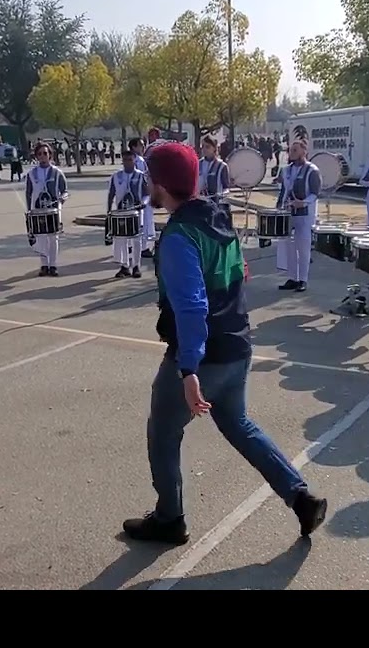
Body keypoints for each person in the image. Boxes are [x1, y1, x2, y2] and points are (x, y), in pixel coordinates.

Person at [122, 142, 327, 545]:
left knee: (163, 433)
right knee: (239, 425)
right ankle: (301, 498)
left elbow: (192, 307)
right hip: (237, 346)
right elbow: (240, 274)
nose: (146, 183)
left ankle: (169, 519)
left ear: (160, 184)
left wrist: (188, 369)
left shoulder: (179, 236)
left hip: (205, 356)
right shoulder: (218, 217)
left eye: (149, 178)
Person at [274, 138, 322, 292]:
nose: (292, 152)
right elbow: (283, 190)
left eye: (295, 150)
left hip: (305, 214)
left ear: (304, 151)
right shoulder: (286, 170)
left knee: (303, 246)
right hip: (289, 213)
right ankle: (292, 278)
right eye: (290, 150)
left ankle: (303, 279)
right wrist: (279, 206)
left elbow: (315, 193)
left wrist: (304, 203)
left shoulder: (312, 170)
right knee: (289, 246)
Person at [24, 141, 69, 277]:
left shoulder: (57, 173)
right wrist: (29, 211)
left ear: (50, 154)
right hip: (38, 210)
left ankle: (53, 265)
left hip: (53, 210)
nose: (42, 156)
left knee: (53, 238)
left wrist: (63, 198)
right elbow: (28, 193)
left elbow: (65, 191)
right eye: (39, 154)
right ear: (36, 156)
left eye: (45, 153)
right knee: (41, 238)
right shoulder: (31, 174)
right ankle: (44, 265)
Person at [107, 150, 150, 278]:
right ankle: (124, 266)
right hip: (121, 213)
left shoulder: (140, 176)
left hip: (136, 213)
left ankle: (136, 266)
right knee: (122, 240)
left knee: (136, 240)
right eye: (125, 160)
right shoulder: (116, 176)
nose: (127, 162)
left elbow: (147, 194)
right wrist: (109, 210)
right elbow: (111, 194)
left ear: (134, 160)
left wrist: (144, 203)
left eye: (130, 160)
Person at [198, 135, 232, 202]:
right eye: (203, 146)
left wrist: (221, 194)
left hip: (217, 203)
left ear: (214, 148)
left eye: (207, 147)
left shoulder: (222, 166)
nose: (204, 149)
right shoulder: (198, 164)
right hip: (200, 203)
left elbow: (226, 188)